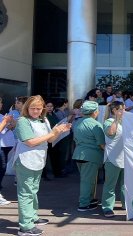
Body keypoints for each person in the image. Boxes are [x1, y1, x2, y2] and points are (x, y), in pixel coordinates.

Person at [13, 95, 71, 236]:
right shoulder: (22, 121)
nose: (36, 111)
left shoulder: (43, 119)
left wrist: (58, 132)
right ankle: (25, 226)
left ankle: (32, 217)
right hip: (25, 160)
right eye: (33, 108)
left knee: (33, 190)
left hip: (38, 160)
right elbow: (30, 142)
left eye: (38, 108)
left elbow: (50, 139)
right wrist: (53, 132)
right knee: (26, 193)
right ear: (27, 108)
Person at [72, 101, 105, 212]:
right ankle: (84, 204)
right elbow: (101, 144)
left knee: (88, 179)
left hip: (78, 153)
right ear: (95, 112)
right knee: (87, 181)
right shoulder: (96, 125)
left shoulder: (77, 123)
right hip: (91, 156)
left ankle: (90, 199)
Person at [102, 101, 125, 218]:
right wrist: (116, 118)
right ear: (115, 110)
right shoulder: (108, 122)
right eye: (121, 109)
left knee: (125, 185)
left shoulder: (123, 122)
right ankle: (107, 207)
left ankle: (126, 204)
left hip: (124, 159)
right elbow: (111, 132)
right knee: (110, 185)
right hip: (112, 159)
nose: (124, 112)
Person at [0, 97, 14, 206]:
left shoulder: (1, 116)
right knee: (1, 167)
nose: (1, 104)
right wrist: (5, 121)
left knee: (2, 167)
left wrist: (11, 123)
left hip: (4, 146)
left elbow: (5, 129)